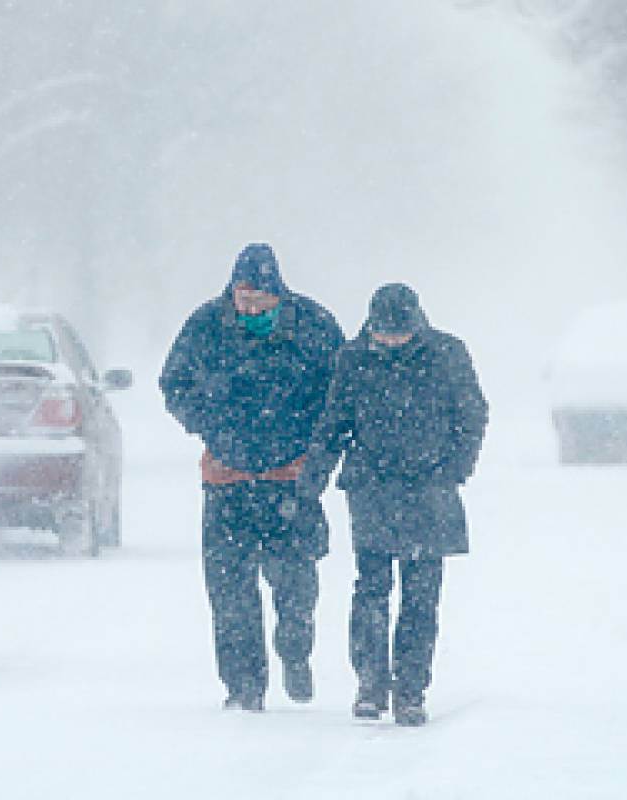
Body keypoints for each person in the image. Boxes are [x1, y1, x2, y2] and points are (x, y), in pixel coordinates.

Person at [160, 243, 344, 711]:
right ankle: (244, 687)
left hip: (291, 479)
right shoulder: (206, 326)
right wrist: (209, 424)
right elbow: (174, 382)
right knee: (230, 591)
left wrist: (314, 444)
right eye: (244, 299)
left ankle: (295, 650)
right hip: (227, 479)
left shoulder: (313, 326)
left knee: (295, 584)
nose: (251, 308)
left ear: (278, 294)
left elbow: (340, 391)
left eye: (261, 300)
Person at [302, 283, 487, 727]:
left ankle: (410, 690)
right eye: (382, 334)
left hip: (430, 490)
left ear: (416, 324)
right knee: (370, 590)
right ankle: (370, 683)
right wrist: (314, 478)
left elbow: (472, 414)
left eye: (398, 334)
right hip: (372, 489)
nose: (389, 341)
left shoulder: (447, 354)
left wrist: (454, 468)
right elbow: (335, 422)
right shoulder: (353, 358)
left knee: (421, 597)